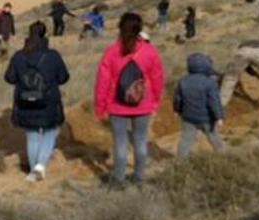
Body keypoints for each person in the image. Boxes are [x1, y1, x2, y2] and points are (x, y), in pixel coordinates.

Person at [94, 13, 164, 185]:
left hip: (116, 105)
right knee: (140, 140)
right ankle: (139, 177)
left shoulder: (111, 52)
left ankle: (118, 180)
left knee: (120, 142)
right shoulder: (149, 51)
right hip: (143, 103)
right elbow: (157, 77)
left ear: (120, 27)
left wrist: (100, 106)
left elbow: (102, 81)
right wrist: (155, 99)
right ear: (139, 29)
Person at [4, 21, 70, 182]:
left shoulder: (19, 56)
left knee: (32, 136)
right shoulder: (53, 56)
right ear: (44, 34)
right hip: (49, 102)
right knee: (50, 132)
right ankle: (40, 165)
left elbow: (9, 77)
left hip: (25, 102)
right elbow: (63, 77)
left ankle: (34, 172)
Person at [173, 53, 225, 157]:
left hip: (188, 118)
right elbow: (214, 101)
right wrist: (219, 117)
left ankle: (180, 161)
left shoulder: (183, 81)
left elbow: (178, 98)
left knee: (185, 140)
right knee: (214, 138)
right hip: (206, 119)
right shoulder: (209, 82)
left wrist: (177, 110)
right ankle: (225, 157)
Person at [220, 39, 259, 109]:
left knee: (230, 77)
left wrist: (253, 73)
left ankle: (221, 103)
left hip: (241, 51)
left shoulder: (245, 42)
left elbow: (246, 64)